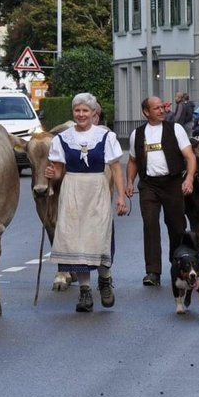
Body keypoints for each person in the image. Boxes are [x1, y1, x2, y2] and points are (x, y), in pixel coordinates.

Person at [45, 94, 128, 312]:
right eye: (77, 111)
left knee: (98, 238)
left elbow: (117, 169)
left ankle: (105, 279)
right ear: (73, 113)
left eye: (85, 111)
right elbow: (58, 173)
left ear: (93, 114)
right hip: (72, 189)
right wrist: (50, 173)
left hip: (97, 190)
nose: (81, 115)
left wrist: (120, 196)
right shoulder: (62, 139)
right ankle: (84, 292)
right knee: (76, 242)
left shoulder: (105, 137)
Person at [125, 95, 197, 287]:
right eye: (156, 108)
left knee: (176, 226)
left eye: (162, 107)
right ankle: (152, 272)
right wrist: (130, 182)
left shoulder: (176, 129)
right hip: (149, 185)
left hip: (173, 182)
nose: (162, 110)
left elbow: (189, 156)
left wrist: (188, 178)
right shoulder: (137, 134)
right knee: (150, 225)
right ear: (146, 112)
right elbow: (132, 160)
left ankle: (178, 264)